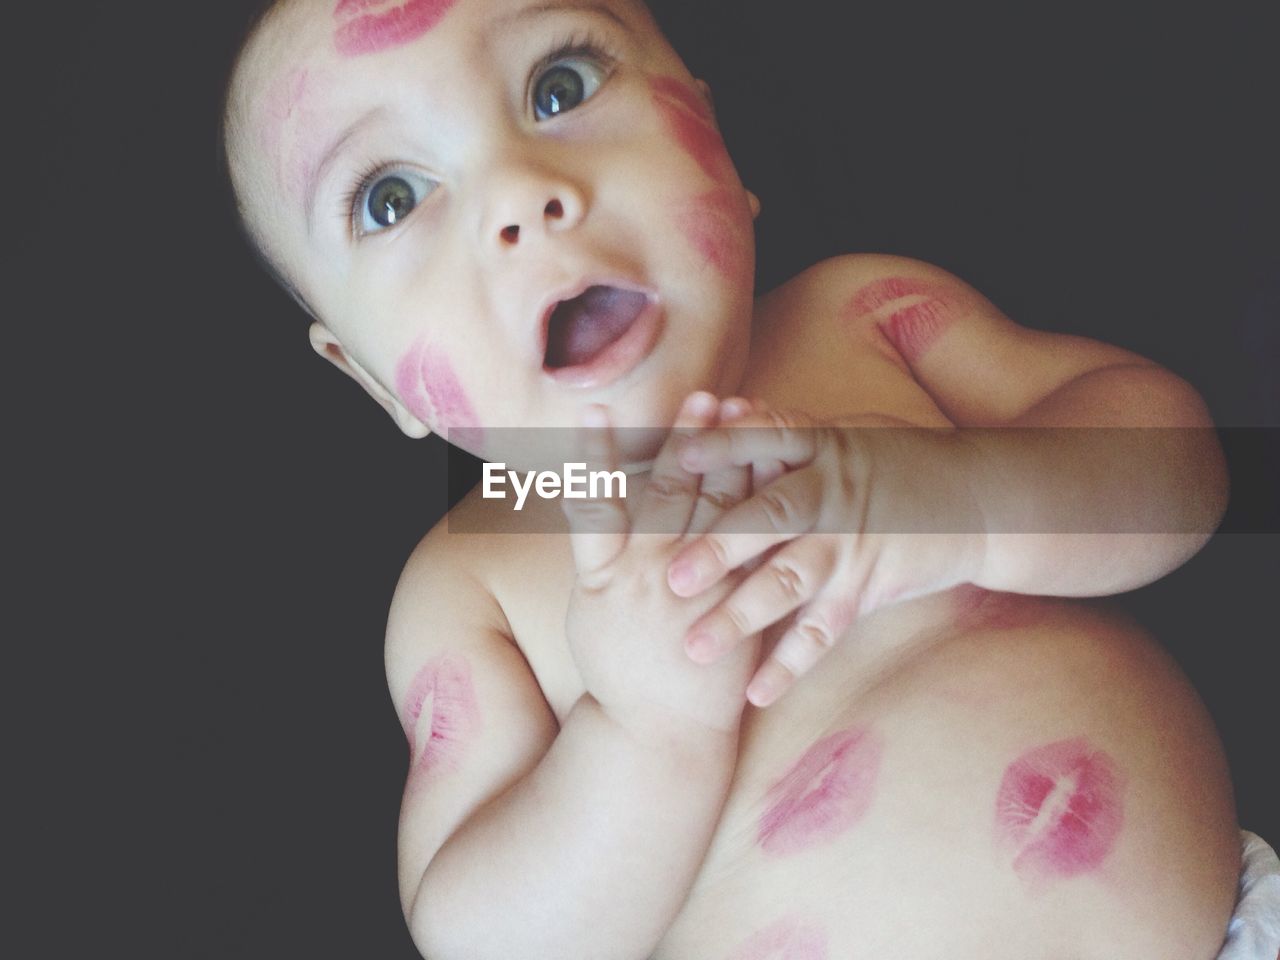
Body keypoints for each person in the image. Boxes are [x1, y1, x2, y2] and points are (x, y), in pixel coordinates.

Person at [222, 1, 1262, 957]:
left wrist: (955, 497)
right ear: (367, 378)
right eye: (392, 197)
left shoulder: (861, 320)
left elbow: (1184, 466)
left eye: (560, 89)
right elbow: (479, 934)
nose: (520, 195)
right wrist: (643, 731)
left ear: (717, 149)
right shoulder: (473, 578)